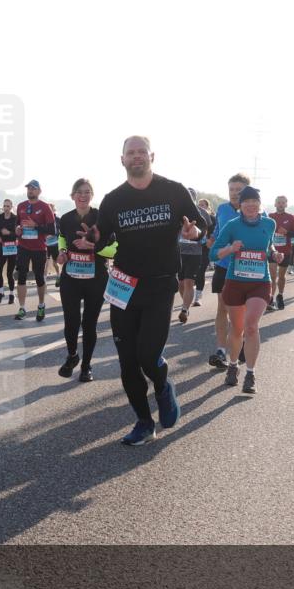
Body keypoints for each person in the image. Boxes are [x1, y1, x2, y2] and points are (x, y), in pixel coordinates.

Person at [94, 136, 205, 445]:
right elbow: (101, 238)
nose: (137, 156)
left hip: (159, 285)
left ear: (152, 156)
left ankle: (162, 384)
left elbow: (200, 223)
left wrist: (195, 231)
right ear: (122, 160)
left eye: (142, 151)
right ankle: (144, 422)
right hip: (123, 286)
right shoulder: (113, 200)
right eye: (131, 153)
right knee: (127, 361)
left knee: (147, 356)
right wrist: (93, 241)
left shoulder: (173, 190)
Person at [209, 186, 281, 394]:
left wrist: (274, 254)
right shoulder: (232, 225)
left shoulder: (269, 223)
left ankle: (250, 373)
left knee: (251, 326)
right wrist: (231, 249)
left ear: (260, 204)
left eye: (254, 201)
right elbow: (213, 254)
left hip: (260, 282)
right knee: (237, 328)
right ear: (240, 205)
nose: (250, 205)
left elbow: (269, 247)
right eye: (246, 202)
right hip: (235, 281)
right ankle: (233, 365)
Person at [56, 178, 108, 381]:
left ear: (92, 195)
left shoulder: (101, 218)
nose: (83, 195)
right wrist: (61, 252)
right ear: (72, 196)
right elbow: (62, 237)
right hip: (71, 277)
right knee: (71, 321)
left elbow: (115, 248)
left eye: (87, 192)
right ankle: (72, 355)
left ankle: (86, 366)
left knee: (89, 324)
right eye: (79, 191)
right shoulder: (67, 218)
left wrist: (94, 247)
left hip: (96, 278)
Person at [207, 173, 250, 368]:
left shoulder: (257, 212)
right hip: (224, 266)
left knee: (241, 311)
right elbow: (217, 232)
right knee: (222, 308)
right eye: (231, 189)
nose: (234, 193)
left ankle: (238, 343)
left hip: (246, 268)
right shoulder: (222, 209)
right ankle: (220, 350)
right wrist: (211, 241)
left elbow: (265, 239)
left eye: (238, 190)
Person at [14, 179, 56, 321]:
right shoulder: (20, 206)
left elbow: (52, 229)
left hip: (39, 248)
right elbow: (17, 226)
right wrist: (18, 230)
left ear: (39, 191)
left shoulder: (45, 207)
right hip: (23, 247)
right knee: (21, 277)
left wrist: (35, 225)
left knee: (39, 278)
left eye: (33, 188)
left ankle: (41, 305)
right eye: (28, 188)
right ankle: (22, 308)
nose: (30, 191)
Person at [177, 187, 211, 323]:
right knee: (180, 283)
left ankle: (184, 309)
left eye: (191, 196)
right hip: (179, 252)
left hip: (195, 253)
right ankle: (186, 304)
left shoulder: (202, 212)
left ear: (194, 198)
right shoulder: (177, 211)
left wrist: (201, 237)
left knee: (189, 282)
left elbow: (207, 228)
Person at [268, 194, 294, 310]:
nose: (281, 204)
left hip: (285, 251)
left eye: (283, 202)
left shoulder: (291, 218)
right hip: (272, 251)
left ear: (286, 204)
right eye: (279, 202)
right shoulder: (270, 216)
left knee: (281, 276)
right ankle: (270, 298)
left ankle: (280, 295)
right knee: (272, 275)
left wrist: (286, 232)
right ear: (275, 204)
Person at [0, 199, 18, 304]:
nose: (6, 208)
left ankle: (12, 294)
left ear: (11, 207)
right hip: (2, 247)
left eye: (8, 206)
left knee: (9, 273)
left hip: (12, 247)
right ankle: (1, 292)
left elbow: (18, 233)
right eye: (4, 206)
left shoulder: (15, 219)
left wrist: (9, 233)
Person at [192, 198, 215, 307]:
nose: (200, 206)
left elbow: (214, 232)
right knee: (191, 275)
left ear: (207, 207)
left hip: (204, 249)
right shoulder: (192, 217)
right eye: (199, 204)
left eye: (203, 205)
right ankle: (190, 294)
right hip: (191, 249)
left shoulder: (211, 218)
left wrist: (208, 241)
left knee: (200, 272)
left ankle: (198, 297)